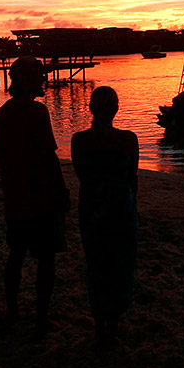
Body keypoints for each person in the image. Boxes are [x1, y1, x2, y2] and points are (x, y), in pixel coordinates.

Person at [0, 56, 70, 335]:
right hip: (41, 196)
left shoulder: (3, 112)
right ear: (25, 80)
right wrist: (61, 191)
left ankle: (12, 312)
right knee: (46, 258)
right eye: (38, 76)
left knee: (17, 254)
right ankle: (41, 318)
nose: (43, 80)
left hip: (15, 196)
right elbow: (48, 156)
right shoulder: (37, 112)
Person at [71, 86, 139, 347]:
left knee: (97, 265)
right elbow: (132, 177)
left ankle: (100, 324)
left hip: (91, 208)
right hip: (121, 207)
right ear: (116, 109)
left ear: (90, 108)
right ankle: (113, 324)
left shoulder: (79, 141)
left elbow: (82, 175)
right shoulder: (128, 139)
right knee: (120, 266)